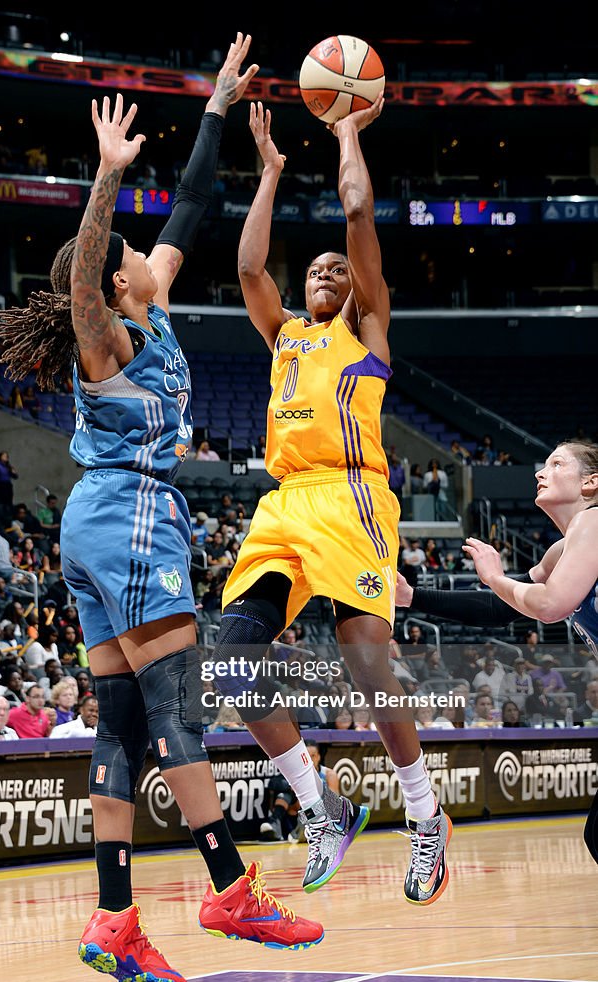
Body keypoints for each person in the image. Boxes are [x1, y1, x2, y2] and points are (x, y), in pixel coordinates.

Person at [0, 36, 322, 982]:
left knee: (125, 725)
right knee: (182, 705)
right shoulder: (106, 335)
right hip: (130, 516)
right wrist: (102, 178)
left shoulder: (158, 299)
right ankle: (229, 885)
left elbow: (193, 205)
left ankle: (115, 917)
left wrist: (217, 105)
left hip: (102, 529)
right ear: (115, 279)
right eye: (132, 254)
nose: (144, 250)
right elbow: (88, 267)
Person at [207, 96, 451, 906]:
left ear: (358, 290)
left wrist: (345, 130)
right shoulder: (283, 334)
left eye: (335, 270)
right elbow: (249, 270)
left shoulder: (366, 326)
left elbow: (354, 211)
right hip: (284, 505)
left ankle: (423, 815)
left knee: (368, 662)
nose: (323, 272)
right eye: (313, 268)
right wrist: (270, 171)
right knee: (232, 669)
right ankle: (322, 805)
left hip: (351, 496)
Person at [397, 440, 598, 866]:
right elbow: (498, 607)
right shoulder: (561, 551)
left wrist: (493, 576)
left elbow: (548, 605)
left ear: (590, 482)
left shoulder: (595, 522)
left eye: (556, 463)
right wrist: (413, 596)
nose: (540, 472)